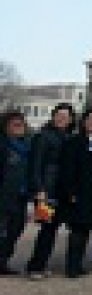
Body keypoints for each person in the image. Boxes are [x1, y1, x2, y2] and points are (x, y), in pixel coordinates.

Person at [25, 102, 75, 280]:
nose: (62, 119)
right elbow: (35, 165)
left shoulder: (67, 137)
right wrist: (39, 189)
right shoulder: (43, 136)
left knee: (52, 229)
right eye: (59, 115)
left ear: (70, 119)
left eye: (66, 116)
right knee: (46, 228)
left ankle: (40, 263)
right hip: (47, 189)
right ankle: (35, 266)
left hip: (60, 190)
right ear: (53, 116)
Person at [59, 110, 92, 279]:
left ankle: (78, 263)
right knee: (78, 228)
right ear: (83, 122)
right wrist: (71, 191)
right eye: (90, 119)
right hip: (80, 190)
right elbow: (68, 169)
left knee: (86, 228)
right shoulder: (75, 142)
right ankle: (72, 265)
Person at [0, 111, 31, 275]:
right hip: (4, 195)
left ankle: (3, 261)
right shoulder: (3, 146)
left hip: (21, 195)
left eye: (21, 124)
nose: (20, 127)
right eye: (15, 124)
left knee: (16, 229)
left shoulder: (27, 146)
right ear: (6, 127)